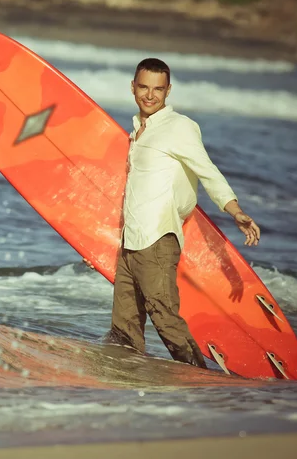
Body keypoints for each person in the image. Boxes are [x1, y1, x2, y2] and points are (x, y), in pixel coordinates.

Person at [84, 58, 261, 368]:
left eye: (158, 89)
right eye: (143, 87)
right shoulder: (138, 131)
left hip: (156, 242)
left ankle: (199, 382)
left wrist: (235, 211)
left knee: (165, 318)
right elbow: (134, 196)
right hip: (131, 245)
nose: (150, 95)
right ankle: (127, 384)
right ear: (133, 87)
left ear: (168, 91)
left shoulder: (179, 127)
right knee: (124, 330)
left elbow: (208, 171)